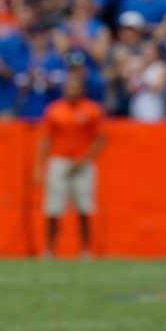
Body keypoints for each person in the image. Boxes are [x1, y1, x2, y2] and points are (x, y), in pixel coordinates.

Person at [34, 69, 107, 259]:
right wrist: (40, 166)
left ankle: (85, 250)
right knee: (53, 208)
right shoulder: (55, 110)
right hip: (59, 161)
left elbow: (100, 139)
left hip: (82, 164)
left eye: (75, 87)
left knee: (85, 208)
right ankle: (50, 250)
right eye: (68, 87)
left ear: (81, 89)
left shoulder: (91, 110)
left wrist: (84, 160)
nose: (71, 90)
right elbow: (47, 139)